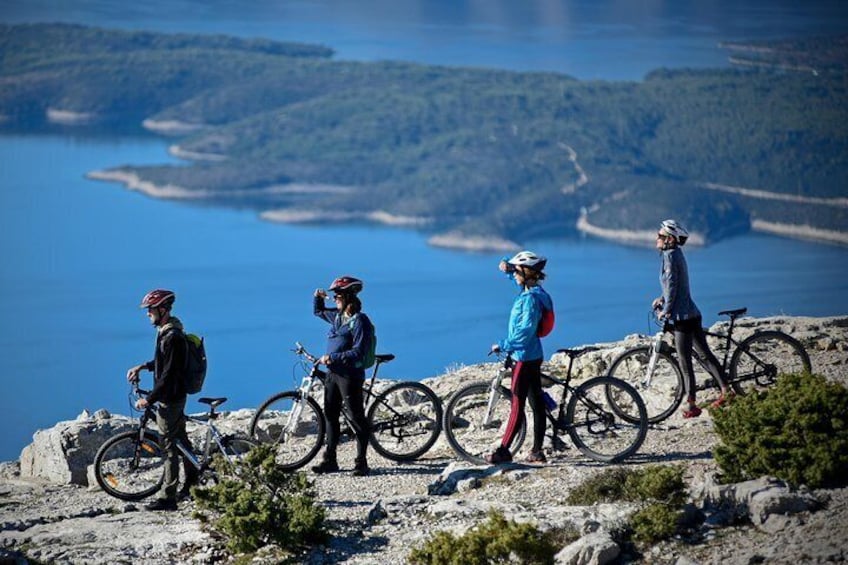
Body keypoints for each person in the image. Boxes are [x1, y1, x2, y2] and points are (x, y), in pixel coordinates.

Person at [126, 289, 199, 511]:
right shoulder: (167, 332)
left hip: (172, 398)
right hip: (172, 396)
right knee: (181, 441)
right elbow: (162, 363)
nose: (147, 313)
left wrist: (149, 400)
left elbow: (169, 374)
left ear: (163, 310)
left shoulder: (173, 337)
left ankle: (168, 498)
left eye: (150, 309)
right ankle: (193, 483)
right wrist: (143, 366)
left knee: (168, 447)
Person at [652, 219, 731, 418]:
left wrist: (666, 309)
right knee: (705, 355)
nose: (657, 238)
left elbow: (672, 285)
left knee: (685, 362)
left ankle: (691, 405)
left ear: (670, 239)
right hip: (691, 313)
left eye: (660, 236)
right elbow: (676, 285)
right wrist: (663, 299)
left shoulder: (670, 256)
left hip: (682, 317)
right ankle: (726, 391)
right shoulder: (676, 253)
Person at [487, 251, 554, 464]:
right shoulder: (535, 291)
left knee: (517, 404)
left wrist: (504, 345)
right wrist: (508, 268)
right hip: (534, 354)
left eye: (517, 271)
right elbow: (519, 280)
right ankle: (536, 451)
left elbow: (524, 332)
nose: (515, 275)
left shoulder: (529, 301)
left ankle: (504, 450)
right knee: (537, 404)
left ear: (527, 272)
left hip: (523, 357)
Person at [311, 276, 375, 477]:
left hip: (349, 376)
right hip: (333, 374)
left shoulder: (360, 321)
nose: (335, 298)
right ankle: (330, 460)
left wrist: (333, 357)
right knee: (330, 416)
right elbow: (318, 311)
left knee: (356, 418)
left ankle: (361, 462)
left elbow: (359, 352)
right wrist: (317, 297)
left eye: (338, 295)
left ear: (348, 297)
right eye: (334, 295)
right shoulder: (338, 317)